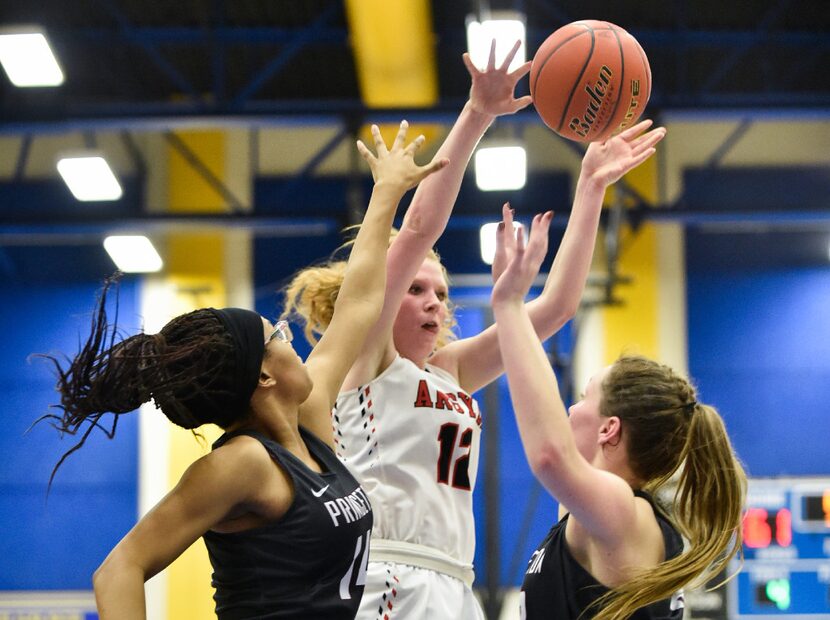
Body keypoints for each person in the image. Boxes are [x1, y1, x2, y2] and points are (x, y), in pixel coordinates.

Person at [282, 31, 669, 617]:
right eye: (416, 289)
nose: (435, 303)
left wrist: (590, 189)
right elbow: (418, 232)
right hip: (383, 572)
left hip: (454, 582)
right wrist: (477, 113)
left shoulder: (450, 369)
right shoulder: (364, 355)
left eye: (441, 292)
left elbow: (558, 307)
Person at [39, 121, 447, 619]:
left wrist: (386, 190)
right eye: (276, 334)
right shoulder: (242, 464)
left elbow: (359, 301)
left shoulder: (311, 424)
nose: (290, 333)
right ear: (264, 376)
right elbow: (119, 568)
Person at [489, 205, 747, 619]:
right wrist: (590, 188)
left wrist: (508, 303)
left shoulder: (621, 515)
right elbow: (557, 311)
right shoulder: (594, 515)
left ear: (609, 429)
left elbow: (549, 454)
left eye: (584, 397)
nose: (569, 409)